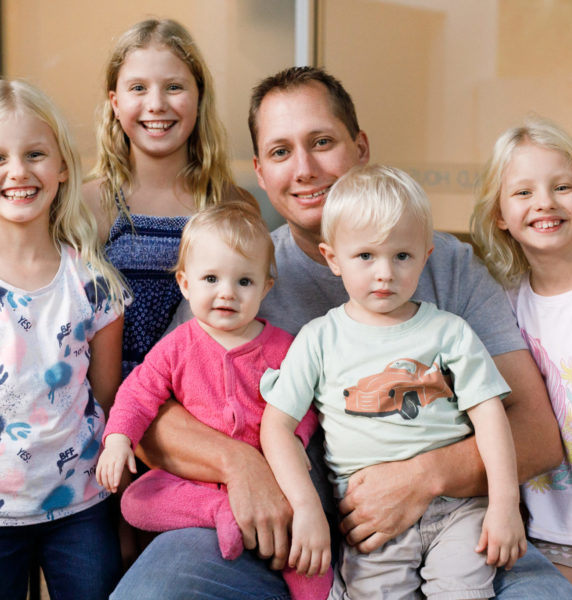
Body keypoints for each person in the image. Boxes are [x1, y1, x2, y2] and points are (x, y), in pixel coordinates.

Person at [112, 67, 572, 600]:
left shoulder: (448, 267)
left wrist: (423, 477)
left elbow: (538, 434)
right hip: (283, 535)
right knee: (155, 590)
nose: (305, 168)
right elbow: (150, 410)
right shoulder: (240, 270)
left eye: (322, 142)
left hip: (456, 525)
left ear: (360, 148)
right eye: (281, 152)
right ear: (261, 173)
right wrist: (239, 464)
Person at [260, 164, 526, 598]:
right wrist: (306, 507)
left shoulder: (450, 332)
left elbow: (491, 417)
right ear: (333, 258)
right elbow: (276, 426)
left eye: (401, 256)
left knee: (465, 592)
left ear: (425, 255)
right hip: (369, 518)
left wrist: (504, 505)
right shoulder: (318, 338)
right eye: (365, 256)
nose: (384, 272)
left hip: (460, 510)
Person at [98, 202, 332, 600]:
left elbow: (307, 403)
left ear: (265, 287)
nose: (227, 293)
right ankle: (218, 513)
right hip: (195, 482)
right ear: (185, 284)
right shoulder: (178, 345)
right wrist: (118, 438)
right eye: (211, 279)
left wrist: (296, 436)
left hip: (275, 479)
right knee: (136, 501)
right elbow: (138, 393)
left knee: (307, 558)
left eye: (244, 282)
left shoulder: (283, 348)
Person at [0, 80, 129, 600]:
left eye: (34, 154)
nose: (17, 172)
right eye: (2, 157)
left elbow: (106, 396)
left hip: (79, 507)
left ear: (63, 169)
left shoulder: (94, 283)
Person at [471, 116, 572, 600]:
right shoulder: (502, 304)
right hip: (556, 527)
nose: (545, 202)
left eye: (561, 187)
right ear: (500, 214)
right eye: (523, 193)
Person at [83, 18, 252, 380]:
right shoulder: (87, 205)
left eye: (174, 87)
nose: (156, 104)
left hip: (204, 406)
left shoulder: (232, 206)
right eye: (138, 88)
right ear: (115, 101)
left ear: (199, 96)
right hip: (112, 408)